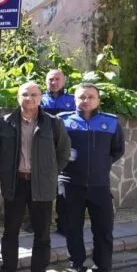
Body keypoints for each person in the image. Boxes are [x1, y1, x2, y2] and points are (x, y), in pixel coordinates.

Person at [0, 82, 71, 272]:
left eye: (34, 94)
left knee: (42, 234)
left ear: (41, 97)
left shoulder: (53, 124)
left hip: (41, 184)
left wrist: (49, 173)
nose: (30, 98)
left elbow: (63, 153)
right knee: (10, 231)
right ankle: (8, 271)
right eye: (25, 94)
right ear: (18, 97)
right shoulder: (6, 122)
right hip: (16, 183)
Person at [59, 83, 125, 272]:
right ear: (75, 99)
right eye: (81, 97)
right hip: (70, 185)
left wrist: (101, 165)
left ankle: (102, 270)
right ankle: (77, 267)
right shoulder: (63, 121)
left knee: (104, 229)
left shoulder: (111, 122)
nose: (86, 100)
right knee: (73, 229)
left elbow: (117, 150)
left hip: (99, 185)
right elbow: (55, 148)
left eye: (90, 97)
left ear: (98, 100)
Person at [37, 69, 76, 235]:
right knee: (38, 187)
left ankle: (63, 224)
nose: (54, 82)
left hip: (62, 148)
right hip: (42, 147)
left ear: (64, 81)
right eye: (51, 79)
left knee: (62, 189)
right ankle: (36, 223)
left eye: (57, 79)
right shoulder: (39, 99)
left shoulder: (72, 100)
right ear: (46, 82)